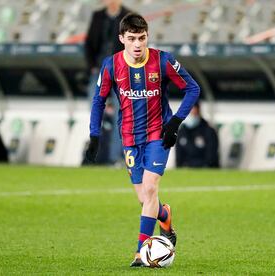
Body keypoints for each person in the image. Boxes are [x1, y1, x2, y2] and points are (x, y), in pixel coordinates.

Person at [85, 13, 200, 266]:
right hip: (129, 137)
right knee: (144, 198)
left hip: (159, 134)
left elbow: (193, 88)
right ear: (121, 38)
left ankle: (141, 252)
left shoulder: (162, 61)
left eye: (142, 38)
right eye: (132, 38)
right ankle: (164, 215)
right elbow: (98, 100)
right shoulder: (111, 65)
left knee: (150, 189)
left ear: (147, 37)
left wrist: (175, 121)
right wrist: (94, 135)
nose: (138, 44)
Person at [85, 0, 131, 165]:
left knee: (122, 114)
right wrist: (91, 66)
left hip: (120, 72)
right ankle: (95, 154)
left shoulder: (128, 16)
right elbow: (89, 43)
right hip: (99, 70)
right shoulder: (98, 16)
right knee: (95, 109)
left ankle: (115, 157)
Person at [176, 102, 219, 168]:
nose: (191, 115)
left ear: (198, 112)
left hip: (204, 169)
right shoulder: (182, 132)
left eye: (193, 113)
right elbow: (179, 155)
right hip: (186, 169)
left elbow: (211, 155)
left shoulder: (208, 131)